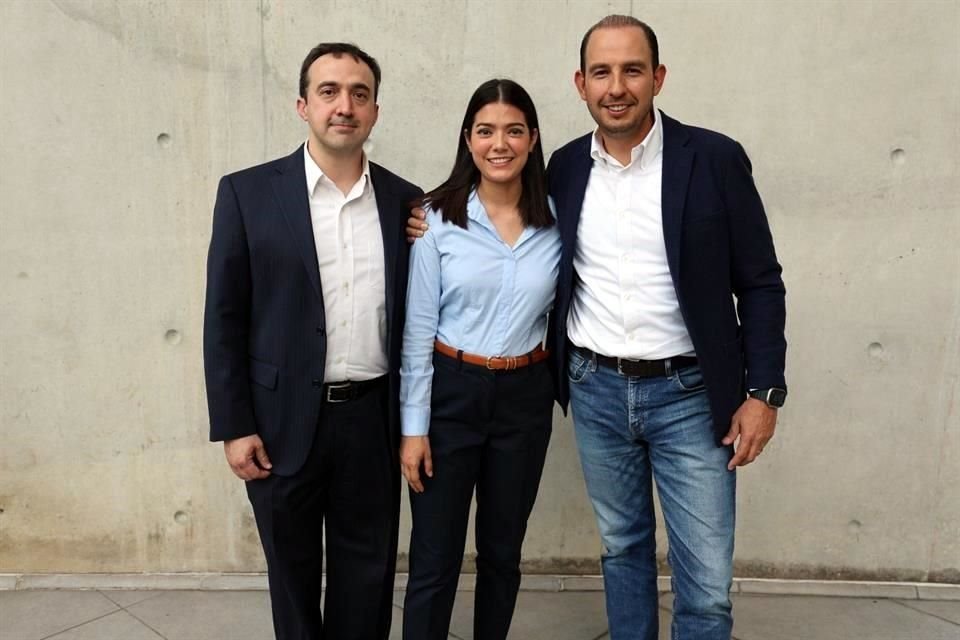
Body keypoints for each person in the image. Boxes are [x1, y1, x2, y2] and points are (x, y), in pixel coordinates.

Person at [409, 15, 786, 640]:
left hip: (691, 395)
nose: (617, 86)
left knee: (707, 583)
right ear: (581, 84)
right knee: (622, 551)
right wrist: (416, 215)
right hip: (596, 390)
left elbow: (761, 282)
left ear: (658, 77)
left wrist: (763, 390)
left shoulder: (714, 159)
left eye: (632, 70)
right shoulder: (564, 171)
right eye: (602, 72)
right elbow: (488, 203)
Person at [203, 42, 421, 640]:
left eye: (358, 93)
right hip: (278, 423)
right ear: (303, 105)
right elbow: (224, 317)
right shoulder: (247, 194)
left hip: (373, 422)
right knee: (292, 579)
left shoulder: (408, 202)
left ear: (375, 110)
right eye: (328, 92)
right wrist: (234, 423)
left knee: (367, 576)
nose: (343, 106)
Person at [398, 79, 560, 640]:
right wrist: (414, 429)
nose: (500, 143)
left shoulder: (558, 221)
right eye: (486, 131)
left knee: (501, 554)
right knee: (435, 559)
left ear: (533, 139)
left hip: (524, 397)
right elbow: (417, 331)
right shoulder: (435, 220)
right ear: (468, 140)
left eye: (514, 130)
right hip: (450, 392)